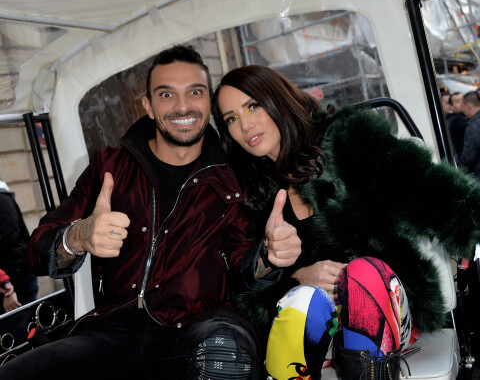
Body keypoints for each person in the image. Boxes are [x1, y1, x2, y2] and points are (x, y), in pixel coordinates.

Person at [212, 66, 480, 378]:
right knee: (302, 302)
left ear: (277, 99)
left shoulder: (351, 142)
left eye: (252, 106)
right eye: (230, 118)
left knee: (363, 275)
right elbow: (243, 287)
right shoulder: (248, 193)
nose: (244, 125)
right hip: (313, 325)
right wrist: (293, 275)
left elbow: (443, 199)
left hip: (385, 305)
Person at [0, 46, 301, 380]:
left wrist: (269, 257)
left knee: (223, 356)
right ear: (147, 105)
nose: (183, 106)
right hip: (115, 329)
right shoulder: (109, 166)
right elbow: (37, 253)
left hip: (203, 324)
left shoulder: (233, 176)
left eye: (195, 92)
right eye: (167, 93)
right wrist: (77, 237)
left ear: (208, 102)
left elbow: (243, 263)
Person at [0, 179, 38, 314]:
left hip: (17, 283)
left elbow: (12, 247)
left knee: (25, 329)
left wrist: (8, 290)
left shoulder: (2, 200)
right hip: (11, 281)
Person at [445, 92, 468, 161]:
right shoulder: (457, 121)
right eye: (457, 101)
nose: (462, 103)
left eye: (463, 100)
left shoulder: (454, 119)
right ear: (451, 106)